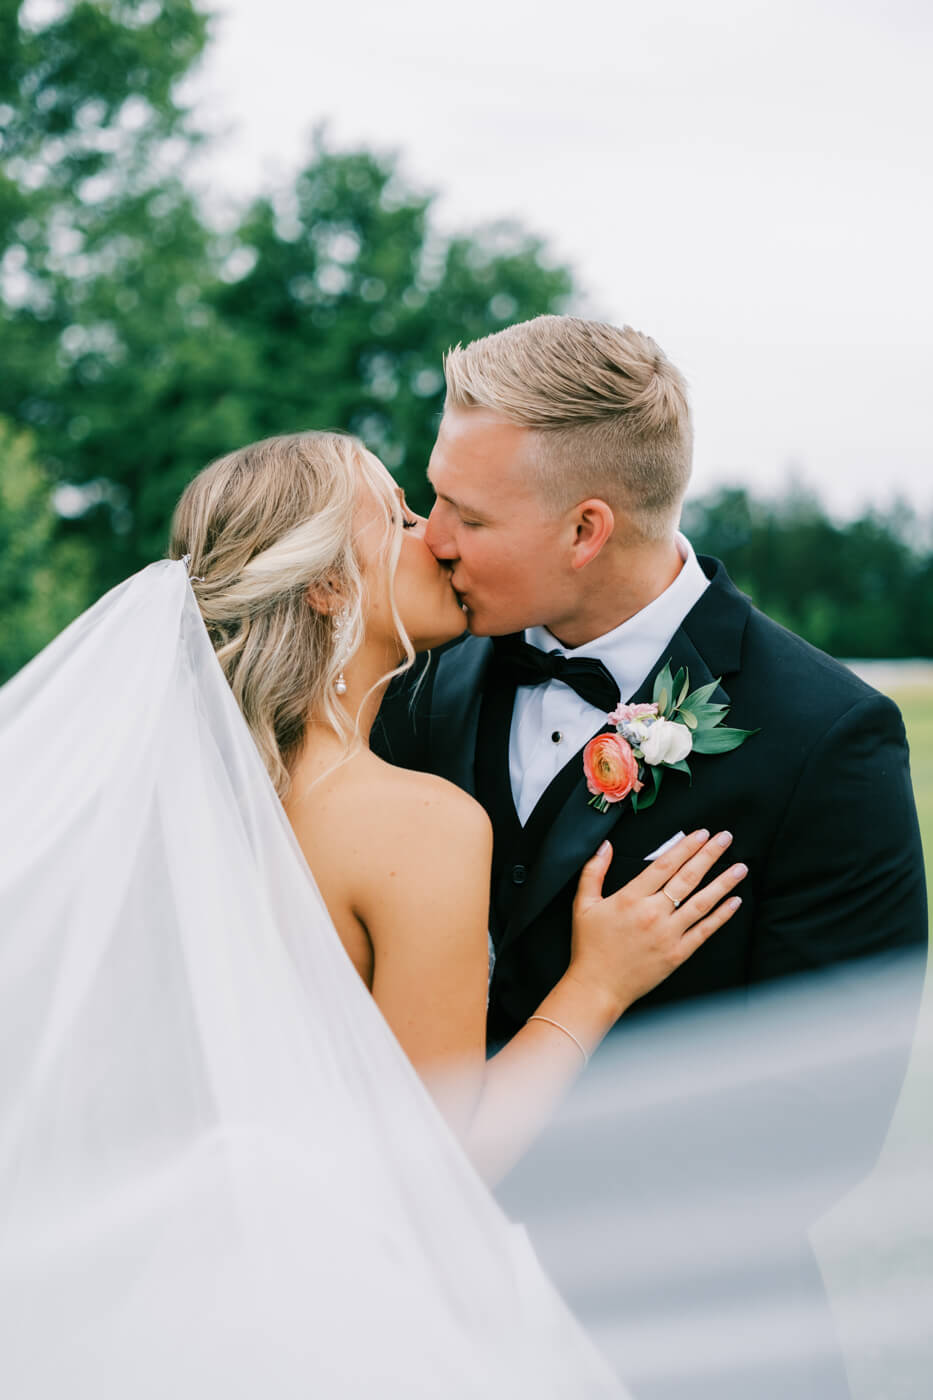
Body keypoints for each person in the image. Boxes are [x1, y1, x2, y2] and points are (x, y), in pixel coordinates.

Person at [0, 429, 745, 1398]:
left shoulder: (162, 807)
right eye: (395, 518)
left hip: (165, 1301)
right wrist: (593, 985)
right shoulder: (420, 826)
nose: (433, 538)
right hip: (338, 1322)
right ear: (325, 585)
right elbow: (442, 1167)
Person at [372, 314, 929, 1398]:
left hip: (690, 1348)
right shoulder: (421, 679)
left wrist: (486, 1181)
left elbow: (824, 1117)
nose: (432, 534)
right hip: (422, 1328)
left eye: (468, 512)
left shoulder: (826, 737)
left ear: (586, 527)